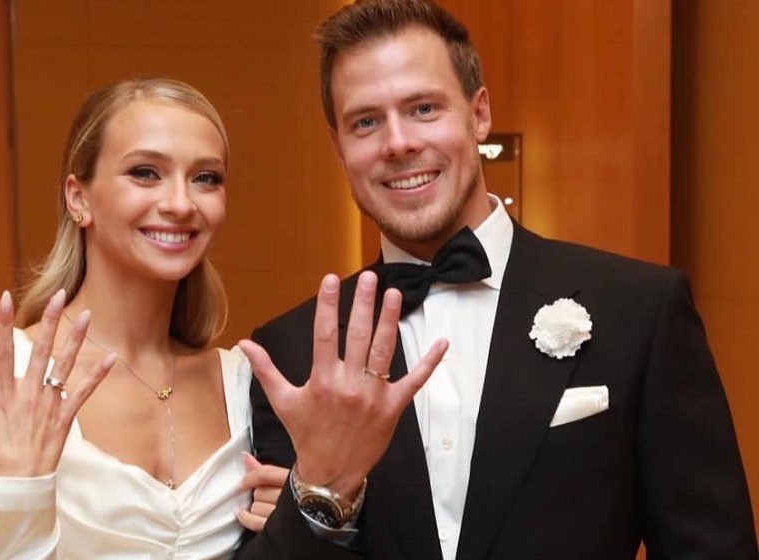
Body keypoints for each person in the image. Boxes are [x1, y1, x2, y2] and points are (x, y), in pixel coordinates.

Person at [236, 1, 758, 558]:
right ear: (339, 148)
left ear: (479, 113)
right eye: (366, 122)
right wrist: (321, 492)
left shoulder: (638, 312)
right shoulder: (290, 356)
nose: (397, 142)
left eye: (423, 108)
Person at [0, 78, 288, 559]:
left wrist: (300, 515)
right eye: (145, 173)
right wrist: (18, 503)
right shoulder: (2, 373)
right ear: (78, 198)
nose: (181, 204)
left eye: (206, 178)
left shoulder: (241, 381)